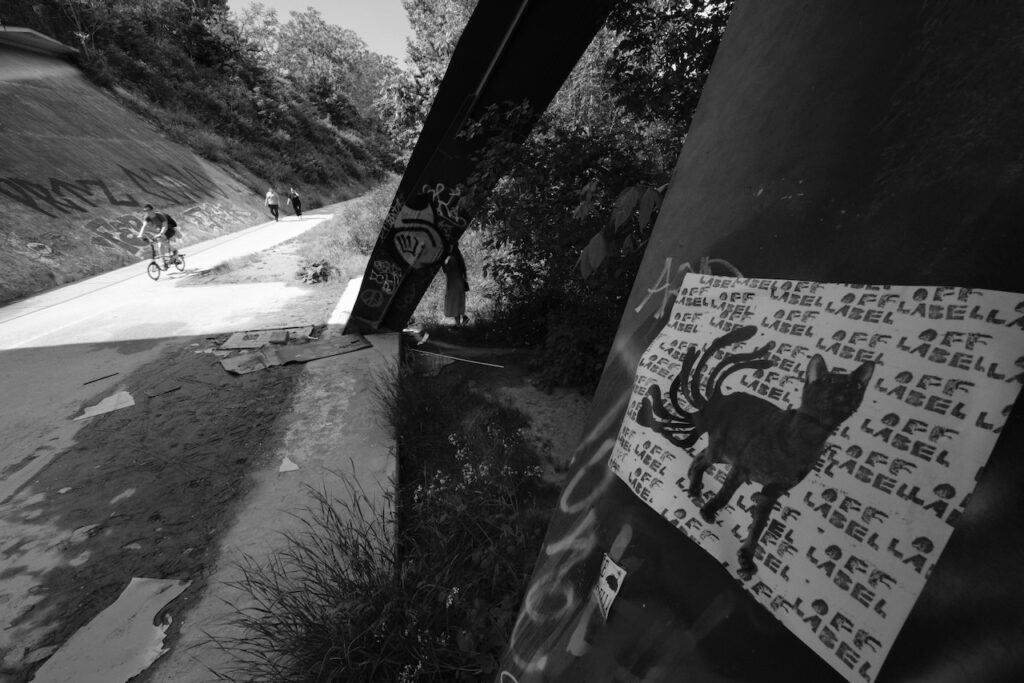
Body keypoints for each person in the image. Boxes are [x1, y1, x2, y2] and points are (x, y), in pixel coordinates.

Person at [442, 244, 469, 326]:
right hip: (459, 284)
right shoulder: (459, 258)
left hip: (454, 285)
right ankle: (463, 318)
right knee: (458, 303)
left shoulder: (451, 259)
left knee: (455, 304)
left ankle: (458, 325)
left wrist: (442, 262)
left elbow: (446, 270)